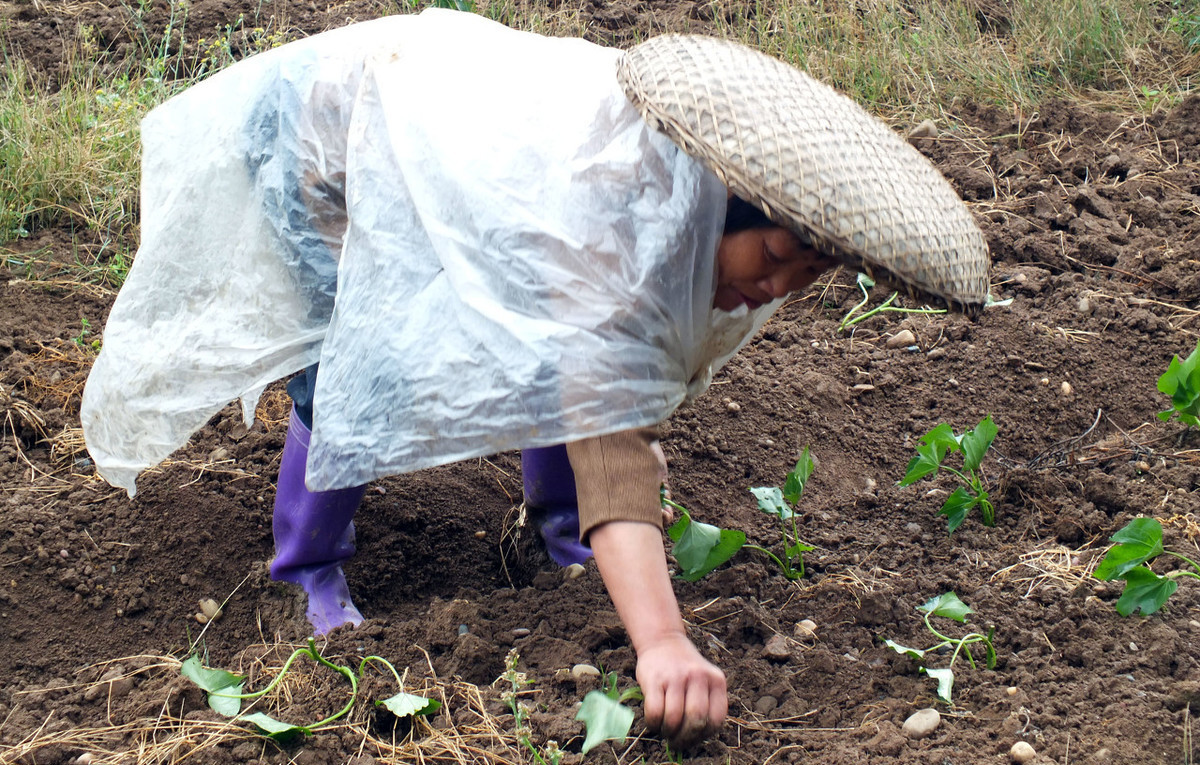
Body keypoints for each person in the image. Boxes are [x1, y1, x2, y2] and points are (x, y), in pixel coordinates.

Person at [80, 8, 988, 749]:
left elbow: (595, 378)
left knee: (545, 357)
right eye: (778, 255)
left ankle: (557, 531)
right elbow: (610, 418)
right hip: (330, 131)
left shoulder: (691, 224)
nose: (779, 286)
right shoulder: (610, 230)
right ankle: (306, 567)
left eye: (809, 276)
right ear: (720, 206)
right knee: (360, 361)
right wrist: (662, 640)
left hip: (439, 124)